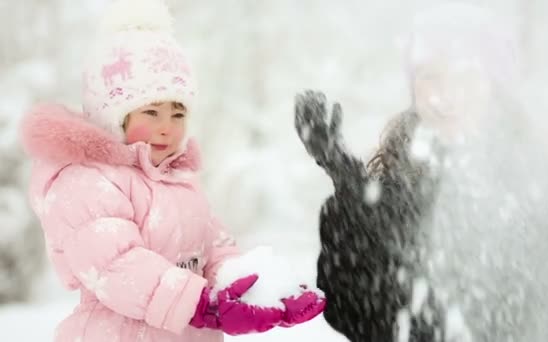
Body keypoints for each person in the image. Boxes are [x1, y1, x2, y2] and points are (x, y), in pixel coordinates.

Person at [20, 1, 324, 341]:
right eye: (151, 113)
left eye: (178, 114)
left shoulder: (177, 181)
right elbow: (116, 265)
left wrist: (249, 287)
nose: (167, 128)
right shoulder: (86, 181)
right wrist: (201, 305)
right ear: (113, 115)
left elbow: (214, 245)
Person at [295, 3, 548, 342]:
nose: (447, 94)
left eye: (466, 75)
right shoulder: (391, 188)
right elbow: (355, 311)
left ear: (494, 87)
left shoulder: (546, 189)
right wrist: (349, 184)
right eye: (430, 76)